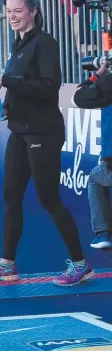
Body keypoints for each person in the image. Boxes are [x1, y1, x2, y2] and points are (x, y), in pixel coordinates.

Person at [0, 0, 93, 287]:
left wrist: (8, 80)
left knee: (49, 199)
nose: (12, 16)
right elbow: (22, 88)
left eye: (18, 10)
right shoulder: (19, 43)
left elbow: (49, 87)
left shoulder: (45, 43)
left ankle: (81, 265)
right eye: (9, 11)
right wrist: (7, 107)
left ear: (33, 12)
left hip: (44, 132)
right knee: (11, 197)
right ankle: (6, 265)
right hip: (20, 130)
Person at [73, 59, 112, 250]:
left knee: (95, 179)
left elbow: (78, 96)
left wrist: (99, 74)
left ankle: (103, 233)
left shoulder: (109, 83)